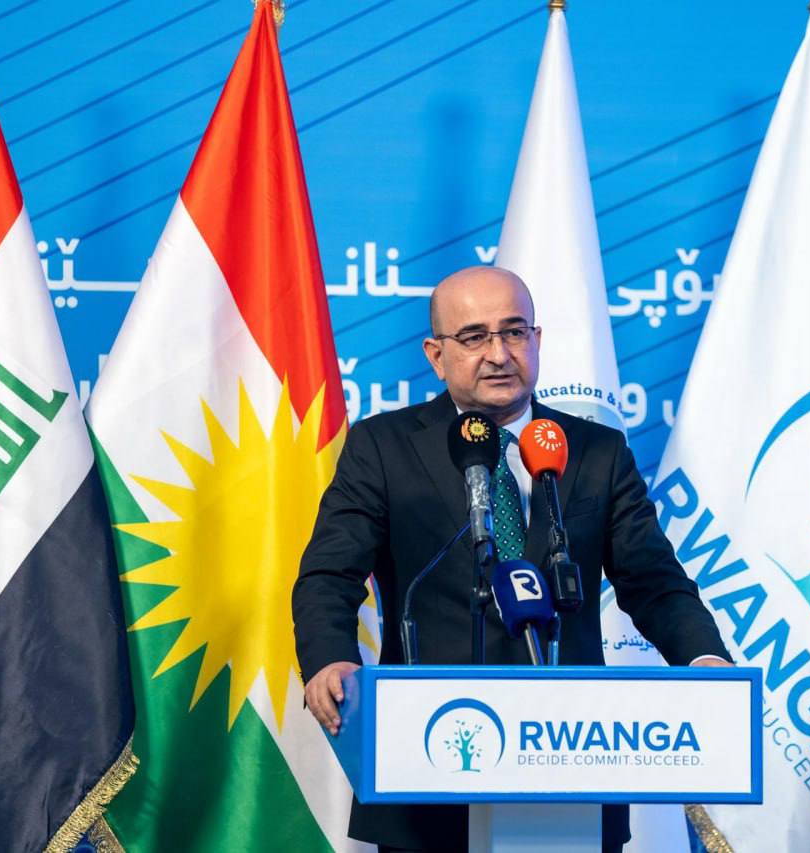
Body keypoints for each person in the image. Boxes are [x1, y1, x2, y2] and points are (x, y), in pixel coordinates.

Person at [292, 266, 732, 853]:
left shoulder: (595, 451)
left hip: (573, 761)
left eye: (514, 332)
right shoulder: (384, 446)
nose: (499, 354)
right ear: (436, 355)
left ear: (537, 339)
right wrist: (330, 658)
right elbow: (330, 573)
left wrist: (703, 658)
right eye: (474, 337)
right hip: (428, 763)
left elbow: (653, 581)